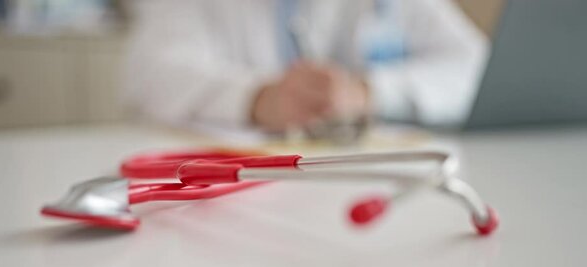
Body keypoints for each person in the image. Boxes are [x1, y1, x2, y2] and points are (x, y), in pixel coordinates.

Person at [124, 0, 488, 133]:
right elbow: (151, 71)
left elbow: (476, 65)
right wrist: (258, 99)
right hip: (236, 204)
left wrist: (367, 92)